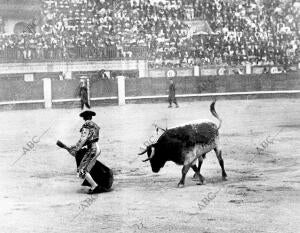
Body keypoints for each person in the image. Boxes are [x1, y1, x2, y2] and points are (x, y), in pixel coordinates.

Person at [70, 110, 102, 194]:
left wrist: (76, 148)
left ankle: (95, 186)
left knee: (81, 170)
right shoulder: (95, 125)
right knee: (88, 168)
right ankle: (96, 184)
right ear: (91, 117)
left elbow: (83, 139)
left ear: (83, 118)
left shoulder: (86, 125)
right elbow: (90, 138)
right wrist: (76, 145)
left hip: (92, 149)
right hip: (97, 147)